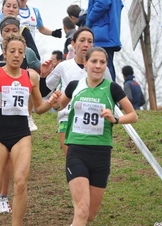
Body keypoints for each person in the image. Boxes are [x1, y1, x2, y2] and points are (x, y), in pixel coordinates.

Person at [0, 33, 60, 226]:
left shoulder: (31, 77)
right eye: (12, 51)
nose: (16, 55)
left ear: (25, 54)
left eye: (20, 52)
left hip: (21, 134)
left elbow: (39, 107)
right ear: (5, 53)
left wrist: (52, 102)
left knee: (20, 182)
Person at [52, 47, 138, 226]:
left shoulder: (112, 88)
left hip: (101, 154)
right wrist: (54, 100)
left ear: (106, 65)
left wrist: (115, 119)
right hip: (77, 151)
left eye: (102, 62)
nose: (98, 66)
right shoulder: (75, 86)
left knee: (89, 215)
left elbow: (133, 116)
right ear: (85, 63)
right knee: (82, 209)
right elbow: (59, 105)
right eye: (94, 61)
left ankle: (78, 225)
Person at [40, 27, 112, 156]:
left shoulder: (101, 68)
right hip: (67, 119)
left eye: (90, 41)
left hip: (94, 121)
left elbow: (111, 93)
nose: (86, 45)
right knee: (73, 161)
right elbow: (44, 91)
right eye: (82, 40)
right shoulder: (63, 66)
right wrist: (43, 76)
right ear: (73, 44)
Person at [0, 0, 41, 131]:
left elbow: (33, 52)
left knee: (26, 80)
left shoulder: (23, 29)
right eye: (8, 6)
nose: (11, 9)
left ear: (19, 10)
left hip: (19, 66)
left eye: (14, 7)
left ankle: (27, 116)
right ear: (2, 9)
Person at [86, 0, 124, 82]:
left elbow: (103, 1)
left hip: (102, 33)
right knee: (107, 67)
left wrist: (89, 20)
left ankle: (110, 97)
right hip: (109, 32)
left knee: (102, 68)